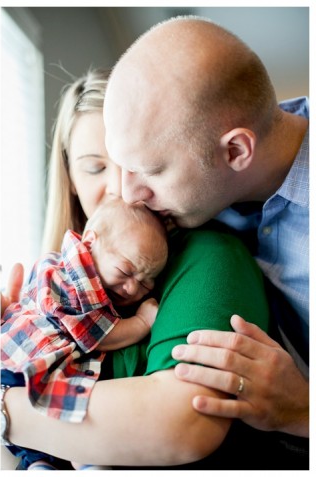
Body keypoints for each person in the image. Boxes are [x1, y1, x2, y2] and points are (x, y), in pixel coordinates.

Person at [0, 65, 299, 469]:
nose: (123, 188)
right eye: (95, 167)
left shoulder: (207, 255)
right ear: (70, 178)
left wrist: (5, 403)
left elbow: (183, 421)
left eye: (135, 162)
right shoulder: (49, 283)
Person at [104, 16, 308, 440]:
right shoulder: (200, 195)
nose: (128, 194)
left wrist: (304, 410)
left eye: (149, 171)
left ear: (236, 150)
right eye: (120, 165)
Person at [1, 198, 166, 470]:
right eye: (126, 271)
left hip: (17, 372)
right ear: (89, 242)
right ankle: (87, 464)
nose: (132, 288)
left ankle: (40, 465)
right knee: (75, 430)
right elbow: (95, 333)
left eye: (146, 283)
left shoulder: (64, 266)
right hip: (27, 368)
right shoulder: (73, 278)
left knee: (42, 449)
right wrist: (141, 323)